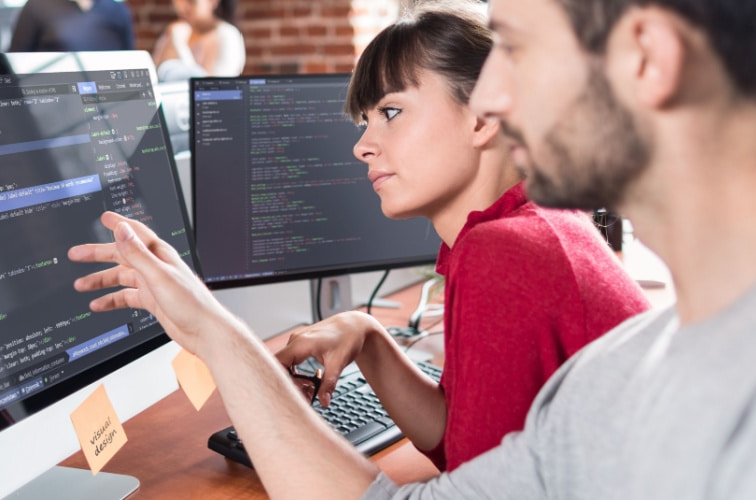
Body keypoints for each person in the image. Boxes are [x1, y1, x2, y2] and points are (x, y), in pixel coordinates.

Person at [69, 0, 756, 496]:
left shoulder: (511, 253)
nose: (498, 93)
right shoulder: (607, 352)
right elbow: (469, 453)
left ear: (650, 56)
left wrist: (220, 336)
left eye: (517, 47)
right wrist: (371, 337)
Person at [277, 3, 648, 473]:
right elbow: (460, 445)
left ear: (483, 116)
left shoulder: (503, 251)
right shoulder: (526, 223)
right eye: (364, 121)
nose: (361, 146)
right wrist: (370, 337)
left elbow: (472, 485)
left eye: (391, 111)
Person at [152, 0, 245, 80]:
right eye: (178, 1)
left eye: (191, 2)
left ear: (212, 1)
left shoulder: (227, 35)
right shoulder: (174, 32)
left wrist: (180, 45)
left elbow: (217, 87)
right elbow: (155, 77)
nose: (182, 8)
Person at [7, 0, 135, 53]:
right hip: (53, 102)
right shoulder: (37, 6)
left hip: (108, 100)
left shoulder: (118, 10)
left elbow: (129, 61)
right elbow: (12, 62)